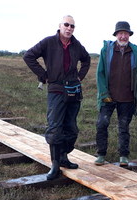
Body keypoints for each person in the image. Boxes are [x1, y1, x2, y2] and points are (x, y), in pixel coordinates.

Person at [23, 15, 91, 180]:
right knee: (55, 128)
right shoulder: (48, 42)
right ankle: (55, 164)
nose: (69, 28)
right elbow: (28, 56)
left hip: (73, 91)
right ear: (60, 26)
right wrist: (44, 75)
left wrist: (80, 76)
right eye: (66, 25)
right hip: (56, 90)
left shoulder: (76, 44)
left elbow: (87, 60)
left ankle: (63, 157)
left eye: (72, 26)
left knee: (71, 128)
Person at [95, 21, 137, 166]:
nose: (123, 36)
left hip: (127, 97)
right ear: (116, 34)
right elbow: (100, 73)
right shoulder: (107, 50)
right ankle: (101, 154)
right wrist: (103, 93)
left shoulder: (135, 51)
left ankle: (123, 155)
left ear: (129, 35)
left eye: (126, 33)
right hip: (108, 97)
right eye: (120, 33)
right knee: (101, 124)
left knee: (124, 126)